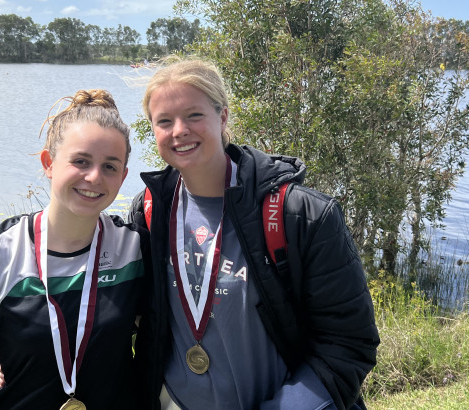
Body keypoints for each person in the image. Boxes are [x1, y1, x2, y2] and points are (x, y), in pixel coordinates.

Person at [128, 58, 380, 410]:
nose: (179, 130)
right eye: (164, 121)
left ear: (224, 117)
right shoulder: (150, 210)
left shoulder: (303, 216)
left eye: (194, 115)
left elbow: (349, 343)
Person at [0, 89, 149, 409]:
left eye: (110, 166)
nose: (94, 177)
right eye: (80, 161)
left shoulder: (136, 250)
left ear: (123, 177)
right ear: (48, 163)